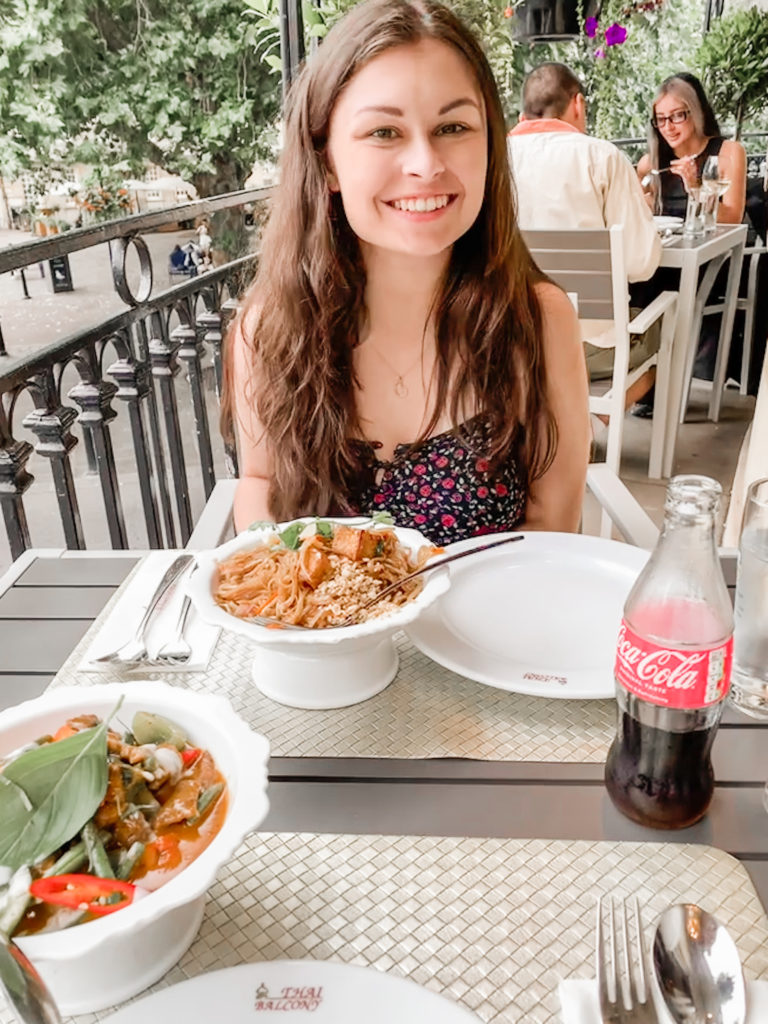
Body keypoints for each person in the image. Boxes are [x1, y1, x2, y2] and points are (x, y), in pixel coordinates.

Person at [222, 0, 589, 545]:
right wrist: (271, 558)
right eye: (384, 133)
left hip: (489, 625)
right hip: (324, 629)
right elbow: (260, 480)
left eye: (453, 126)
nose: (425, 163)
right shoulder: (269, 329)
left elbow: (553, 527)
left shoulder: (537, 321)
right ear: (326, 161)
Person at [507, 62, 661, 407]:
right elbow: (640, 263)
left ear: (523, 114)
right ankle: (594, 421)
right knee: (669, 327)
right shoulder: (602, 157)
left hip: (504, 336)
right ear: (577, 104)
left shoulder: (490, 161)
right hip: (584, 342)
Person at [637, 72, 746, 224]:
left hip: (711, 246)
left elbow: (732, 219)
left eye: (677, 116)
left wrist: (696, 188)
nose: (668, 127)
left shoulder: (728, 153)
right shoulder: (649, 164)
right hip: (665, 246)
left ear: (696, 113)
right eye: (661, 119)